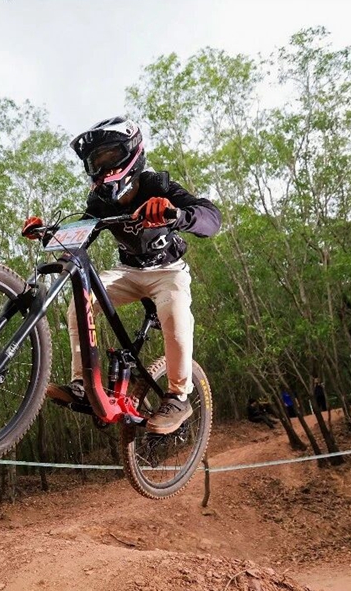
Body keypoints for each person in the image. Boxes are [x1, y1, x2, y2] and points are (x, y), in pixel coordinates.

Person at [21, 116, 221, 434]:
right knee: (79, 304)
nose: (103, 169)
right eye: (95, 163)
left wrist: (176, 213)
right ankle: (83, 385)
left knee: (175, 312)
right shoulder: (99, 202)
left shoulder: (158, 186)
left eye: (109, 158)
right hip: (128, 272)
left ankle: (179, 396)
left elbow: (211, 218)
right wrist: (49, 235)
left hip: (167, 270)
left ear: (131, 155)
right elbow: (78, 237)